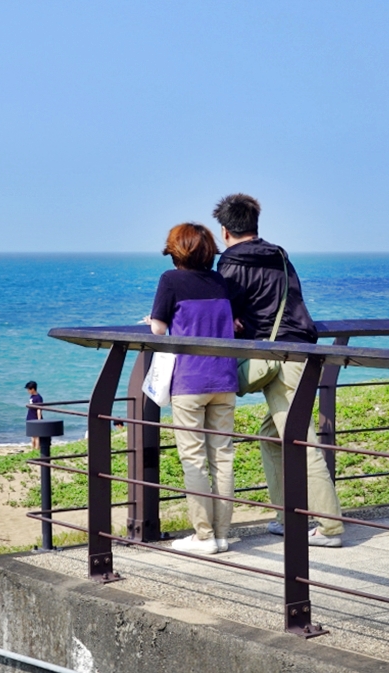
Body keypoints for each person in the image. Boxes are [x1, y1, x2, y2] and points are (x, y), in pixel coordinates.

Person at [213, 193, 344, 547]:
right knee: (273, 435)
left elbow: (226, 312)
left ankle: (330, 527)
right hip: (302, 348)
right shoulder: (280, 256)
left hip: (280, 357)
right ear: (255, 224)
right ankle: (287, 516)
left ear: (225, 231)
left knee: (302, 441)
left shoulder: (231, 263)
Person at [147, 222, 239, 556]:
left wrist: (154, 322)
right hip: (224, 378)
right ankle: (224, 534)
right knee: (223, 456)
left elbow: (158, 328)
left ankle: (204, 536)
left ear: (175, 251)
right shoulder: (219, 281)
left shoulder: (170, 281)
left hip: (189, 380)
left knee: (194, 459)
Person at [26, 381, 44, 450]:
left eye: (28, 389)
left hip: (35, 417)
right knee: (32, 435)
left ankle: (37, 448)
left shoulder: (38, 398)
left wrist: (39, 420)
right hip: (30, 417)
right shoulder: (32, 397)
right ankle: (33, 448)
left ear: (33, 389)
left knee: (37, 436)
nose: (28, 391)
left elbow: (39, 409)